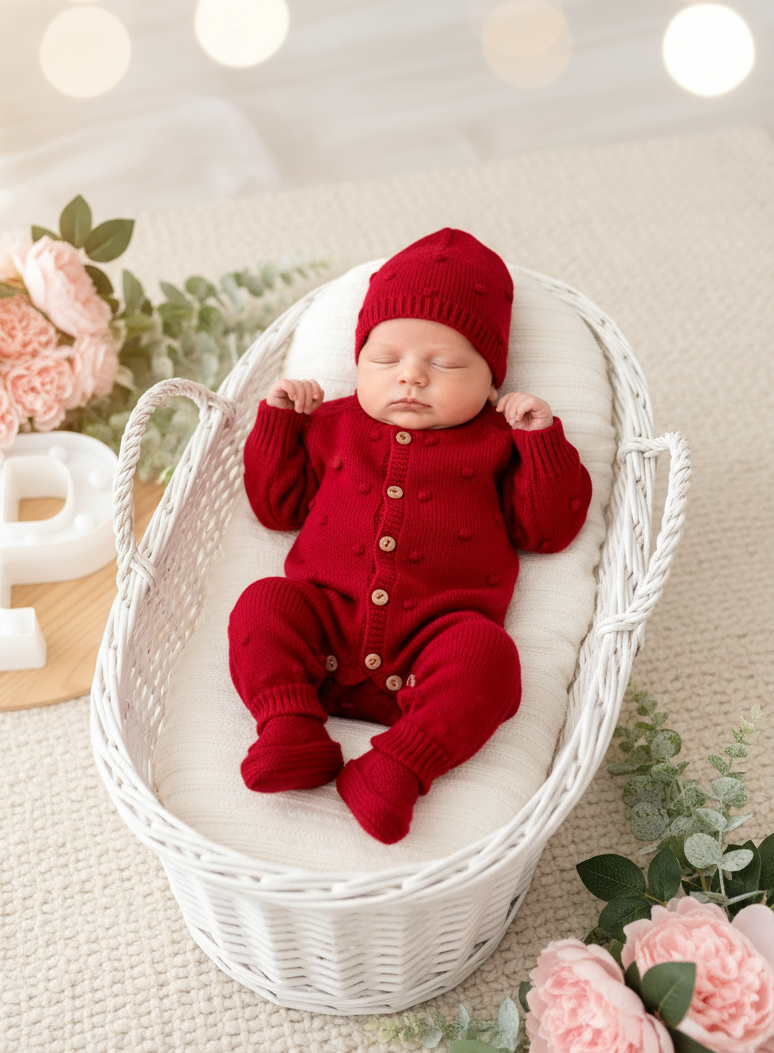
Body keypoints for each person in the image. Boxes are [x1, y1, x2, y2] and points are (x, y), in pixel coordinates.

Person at [228, 228, 592, 843]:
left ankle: (397, 765)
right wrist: (280, 424)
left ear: (491, 381)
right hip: (327, 621)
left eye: (446, 364)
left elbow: (549, 532)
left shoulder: (499, 440)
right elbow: (275, 509)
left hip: (437, 638)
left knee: (490, 658)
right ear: (357, 363)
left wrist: (541, 443)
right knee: (264, 603)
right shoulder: (332, 426)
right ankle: (290, 725)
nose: (411, 379)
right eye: (386, 360)